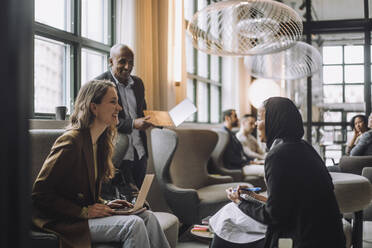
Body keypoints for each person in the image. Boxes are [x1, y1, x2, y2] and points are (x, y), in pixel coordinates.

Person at [32, 80, 170, 248]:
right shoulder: (71, 142)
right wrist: (84, 212)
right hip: (63, 221)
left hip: (82, 216)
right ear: (93, 107)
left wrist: (105, 205)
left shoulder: (100, 143)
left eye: (118, 102)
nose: (119, 108)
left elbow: (83, 193)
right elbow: (39, 194)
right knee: (133, 224)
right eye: (113, 102)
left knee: (148, 217)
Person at [211, 97, 345, 248]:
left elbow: (274, 216)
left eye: (260, 118)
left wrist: (239, 201)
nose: (256, 123)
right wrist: (256, 197)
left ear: (274, 121)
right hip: (329, 235)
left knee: (227, 215)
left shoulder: (278, 155)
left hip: (304, 238)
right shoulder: (305, 147)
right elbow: (294, 203)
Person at [96, 44, 151, 189]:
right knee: (120, 200)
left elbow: (142, 111)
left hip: (140, 152)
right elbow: (103, 120)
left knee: (138, 198)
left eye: (131, 62)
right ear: (110, 61)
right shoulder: (100, 84)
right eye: (122, 61)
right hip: (117, 153)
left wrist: (158, 119)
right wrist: (133, 124)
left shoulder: (138, 83)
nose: (127, 67)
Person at [222, 109, 264, 177]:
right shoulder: (225, 134)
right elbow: (230, 157)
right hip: (238, 167)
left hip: (243, 164)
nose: (237, 119)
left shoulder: (231, 134)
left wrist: (252, 161)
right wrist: (248, 162)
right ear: (227, 118)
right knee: (266, 170)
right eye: (235, 116)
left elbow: (241, 153)